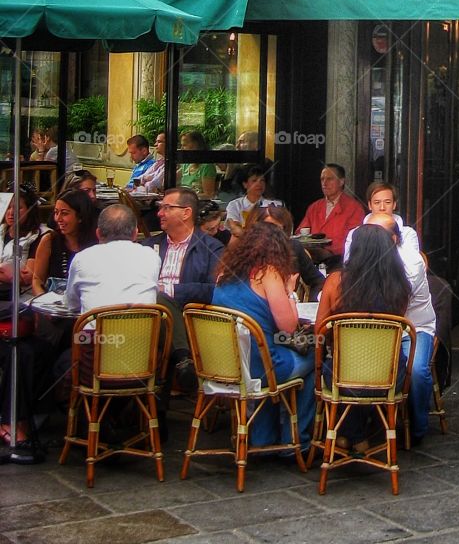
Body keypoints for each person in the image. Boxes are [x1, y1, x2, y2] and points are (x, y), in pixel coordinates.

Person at [213, 222, 314, 449]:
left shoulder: (223, 273)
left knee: (267, 351)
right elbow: (288, 327)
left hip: (224, 366)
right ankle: (296, 442)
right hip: (260, 369)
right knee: (316, 357)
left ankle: (263, 437)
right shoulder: (267, 273)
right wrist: (290, 290)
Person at [315, 222, 412, 451]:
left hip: (343, 376)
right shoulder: (400, 288)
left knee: (333, 368)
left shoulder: (335, 282)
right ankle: (357, 435)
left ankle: (349, 434)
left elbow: (320, 330)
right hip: (387, 378)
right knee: (366, 369)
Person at [366, 211, 436, 443]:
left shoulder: (411, 262)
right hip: (376, 327)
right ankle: (366, 426)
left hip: (413, 328)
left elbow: (395, 308)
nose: (369, 238)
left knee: (416, 372)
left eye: (376, 234)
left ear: (393, 239)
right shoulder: (362, 257)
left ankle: (417, 427)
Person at [145, 187, 224, 392]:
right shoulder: (149, 246)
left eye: (166, 208)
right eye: (160, 207)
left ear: (186, 213)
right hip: (148, 320)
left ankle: (155, 413)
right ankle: (183, 358)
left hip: (192, 319)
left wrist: (172, 290)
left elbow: (214, 290)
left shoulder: (211, 248)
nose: (159, 213)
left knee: (160, 297)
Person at [64, 203, 159, 312]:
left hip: (96, 329)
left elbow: (72, 304)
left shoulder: (82, 258)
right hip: (145, 328)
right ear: (135, 234)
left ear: (98, 234)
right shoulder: (151, 256)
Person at [31, 188, 98, 294]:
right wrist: (42, 300)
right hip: (52, 304)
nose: (58, 218)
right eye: (56, 213)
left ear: (80, 217)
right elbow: (37, 281)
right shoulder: (49, 240)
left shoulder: (97, 244)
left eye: (64, 213)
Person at [252, 203, 323, 298]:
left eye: (278, 229)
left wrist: (311, 304)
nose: (273, 233)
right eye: (268, 227)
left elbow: (318, 281)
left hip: (287, 304)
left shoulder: (294, 247)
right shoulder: (246, 250)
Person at [297, 164, 365, 259]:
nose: (324, 183)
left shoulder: (354, 208)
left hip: (339, 260)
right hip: (311, 258)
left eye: (329, 179)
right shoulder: (314, 207)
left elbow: (354, 240)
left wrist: (329, 251)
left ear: (341, 182)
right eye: (322, 179)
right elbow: (300, 233)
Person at [0, 187, 46, 294]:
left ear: (29, 209)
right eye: (8, 207)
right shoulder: (1, 230)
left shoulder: (37, 237)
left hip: (19, 297)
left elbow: (24, 279)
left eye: (18, 208)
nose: (11, 212)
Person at [224, 166, 280, 236]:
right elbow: (234, 226)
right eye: (254, 180)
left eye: (262, 180)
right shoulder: (234, 205)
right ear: (245, 184)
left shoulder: (275, 204)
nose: (259, 184)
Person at [177, 130, 217, 198]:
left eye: (185, 145)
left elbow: (208, 195)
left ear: (196, 145)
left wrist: (184, 196)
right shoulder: (186, 165)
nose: (182, 148)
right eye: (181, 145)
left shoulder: (207, 166)